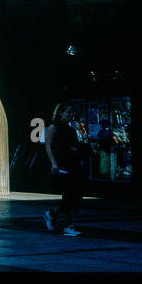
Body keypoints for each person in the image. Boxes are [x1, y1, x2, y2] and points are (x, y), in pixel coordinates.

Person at [44, 101, 88, 236]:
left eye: (72, 112)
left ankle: (52, 213)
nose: (71, 114)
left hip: (73, 163)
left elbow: (75, 145)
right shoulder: (54, 127)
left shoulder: (71, 128)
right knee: (69, 195)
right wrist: (54, 164)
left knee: (75, 196)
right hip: (62, 164)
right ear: (61, 113)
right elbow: (48, 146)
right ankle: (67, 226)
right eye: (68, 112)